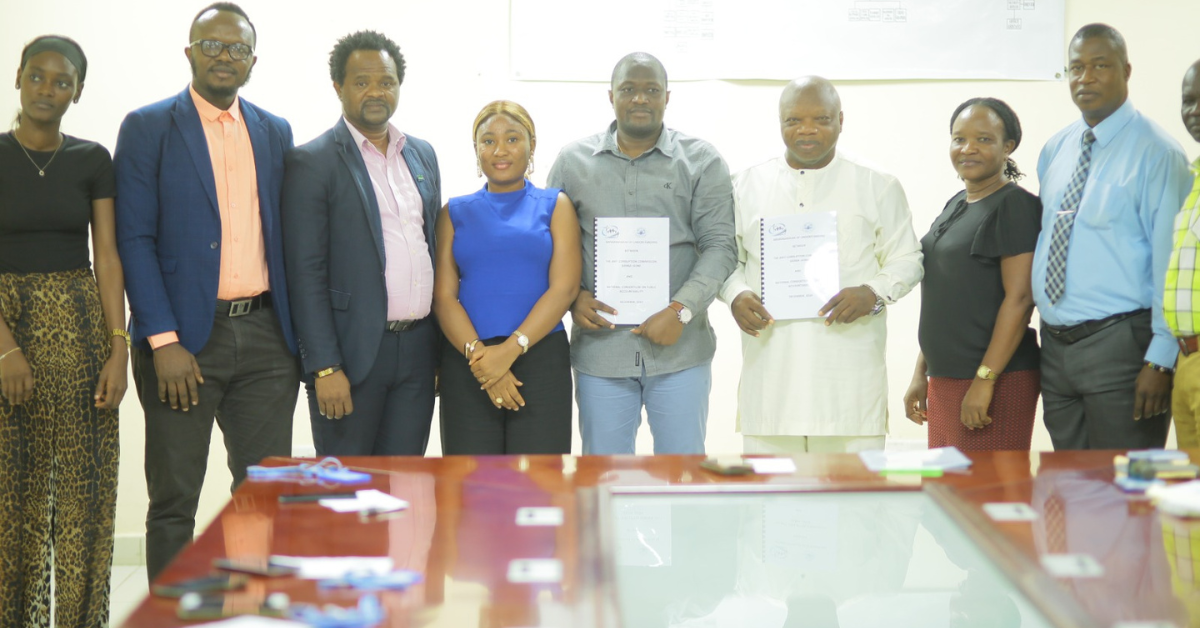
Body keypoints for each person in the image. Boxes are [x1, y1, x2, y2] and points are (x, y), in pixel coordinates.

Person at [114, 2, 300, 581]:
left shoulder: (275, 131)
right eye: (212, 45)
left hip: (267, 339)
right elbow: (134, 238)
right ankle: (172, 616)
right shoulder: (148, 127)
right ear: (189, 52)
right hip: (184, 343)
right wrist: (163, 341)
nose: (225, 56)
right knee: (175, 498)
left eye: (237, 48)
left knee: (264, 491)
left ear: (253, 61)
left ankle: (256, 607)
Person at [718, 77, 922, 454]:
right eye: (794, 120)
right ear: (780, 122)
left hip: (850, 391)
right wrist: (735, 295)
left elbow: (908, 258)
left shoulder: (877, 184)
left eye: (821, 119)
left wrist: (873, 293)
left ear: (841, 120)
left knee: (854, 492)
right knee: (770, 492)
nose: (807, 129)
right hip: (771, 387)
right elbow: (723, 259)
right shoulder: (744, 185)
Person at [547, 52, 736, 455]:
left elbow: (720, 247)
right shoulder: (572, 163)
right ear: (610, 96)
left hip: (681, 350)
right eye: (628, 89)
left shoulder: (701, 161)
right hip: (601, 352)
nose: (640, 98)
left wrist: (681, 310)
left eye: (651, 90)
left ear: (667, 97)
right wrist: (574, 298)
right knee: (605, 477)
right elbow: (550, 246)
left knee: (683, 475)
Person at [0, 35, 127, 628]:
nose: (47, 89)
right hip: (6, 325)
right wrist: (5, 349)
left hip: (80, 329)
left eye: (62, 81)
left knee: (84, 495)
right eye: (37, 76)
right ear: (18, 78)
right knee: (11, 497)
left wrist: (118, 348)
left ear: (77, 91)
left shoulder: (92, 159)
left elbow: (108, 256)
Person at [1031, 23, 1192, 450]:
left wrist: (1161, 358)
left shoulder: (1159, 153)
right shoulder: (1056, 149)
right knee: (1069, 482)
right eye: (1076, 68)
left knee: (1122, 481)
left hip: (1123, 344)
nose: (1085, 78)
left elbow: (1170, 261)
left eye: (1100, 66)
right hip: (1056, 346)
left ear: (1126, 71)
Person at [283, 30, 441, 456]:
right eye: (362, 82)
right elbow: (305, 274)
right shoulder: (312, 162)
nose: (376, 92)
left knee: (404, 483)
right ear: (338, 87)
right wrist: (324, 365)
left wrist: (439, 354)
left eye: (386, 82)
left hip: (418, 351)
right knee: (347, 486)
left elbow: (430, 247)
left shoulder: (422, 154)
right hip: (350, 356)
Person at [433, 101, 580, 454]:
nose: (500, 150)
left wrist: (509, 352)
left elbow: (564, 288)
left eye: (512, 139)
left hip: (540, 359)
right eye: (488, 141)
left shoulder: (555, 205)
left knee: (539, 479)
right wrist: (483, 358)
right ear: (476, 150)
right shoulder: (453, 212)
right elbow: (443, 297)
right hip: (469, 361)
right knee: (471, 479)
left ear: (532, 145)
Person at [904, 98, 1042, 451]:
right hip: (945, 378)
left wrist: (985, 380)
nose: (968, 148)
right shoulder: (956, 203)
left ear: (1008, 147)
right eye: (959, 138)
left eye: (983, 139)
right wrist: (922, 372)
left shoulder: (1015, 205)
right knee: (947, 485)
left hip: (996, 379)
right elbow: (946, 298)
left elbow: (1020, 299)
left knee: (987, 485)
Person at [1165, 59, 1200, 449]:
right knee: (1190, 479)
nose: (1195, 111)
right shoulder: (1194, 180)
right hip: (1186, 359)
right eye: (1188, 100)